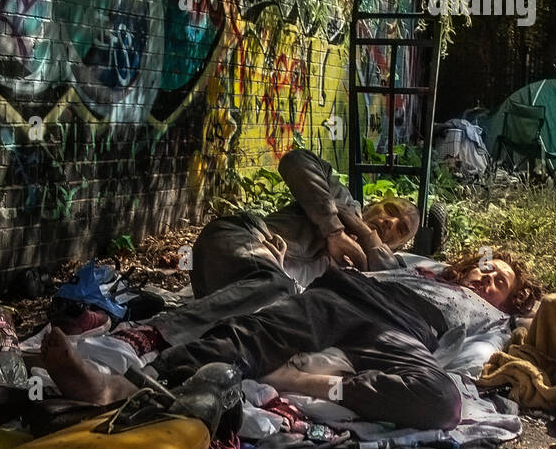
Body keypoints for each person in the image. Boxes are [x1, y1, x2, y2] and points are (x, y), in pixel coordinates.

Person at [38, 247, 541, 430]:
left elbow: (534, 329)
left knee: (442, 402)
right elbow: (375, 252)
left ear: (508, 300)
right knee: (254, 334)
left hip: (405, 331)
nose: (485, 280)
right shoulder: (423, 268)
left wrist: (335, 387)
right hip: (346, 296)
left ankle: (317, 385)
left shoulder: (494, 322)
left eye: (500, 282)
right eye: (485, 270)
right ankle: (124, 388)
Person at [154, 147, 422, 348]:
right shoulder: (342, 199)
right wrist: (334, 229)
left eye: (401, 229)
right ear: (376, 203)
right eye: (390, 210)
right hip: (237, 240)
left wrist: (365, 235)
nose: (389, 221)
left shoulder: (383, 273)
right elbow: (296, 160)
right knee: (277, 286)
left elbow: (389, 279)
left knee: (280, 322)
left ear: (400, 246)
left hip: (241, 295)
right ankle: (157, 332)